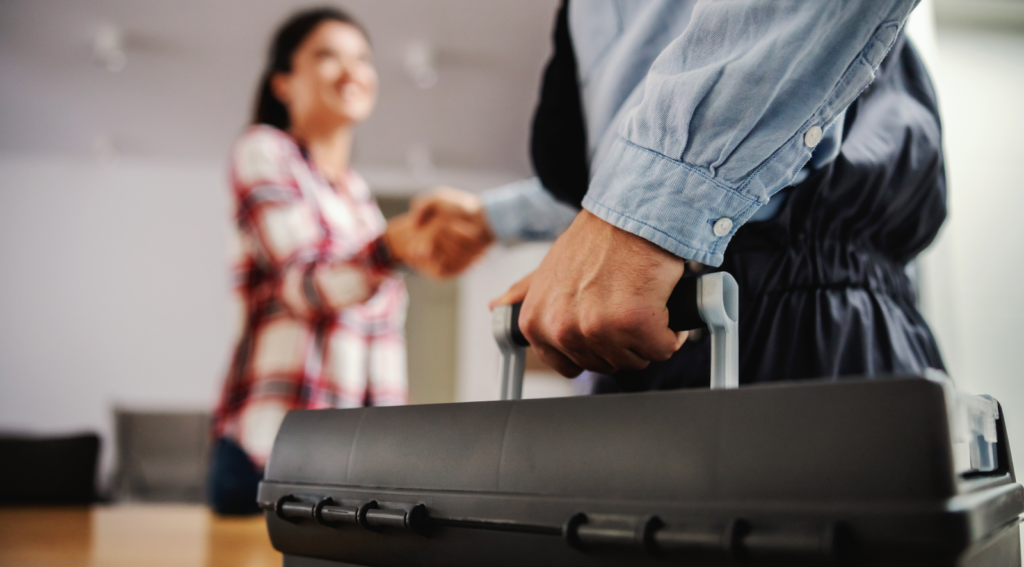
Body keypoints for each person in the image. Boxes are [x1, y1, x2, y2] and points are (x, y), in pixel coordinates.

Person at [414, 0, 947, 392]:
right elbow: (629, 168)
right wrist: (492, 219)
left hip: (806, 321)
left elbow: (671, 190)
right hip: (642, 340)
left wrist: (638, 219)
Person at [207, 8, 482, 515]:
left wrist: (396, 450)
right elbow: (304, 285)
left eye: (362, 58)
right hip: (270, 454)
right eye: (327, 56)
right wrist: (394, 249)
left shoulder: (358, 198)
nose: (352, 70)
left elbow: (377, 341)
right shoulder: (263, 151)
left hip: (347, 465)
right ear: (284, 82)